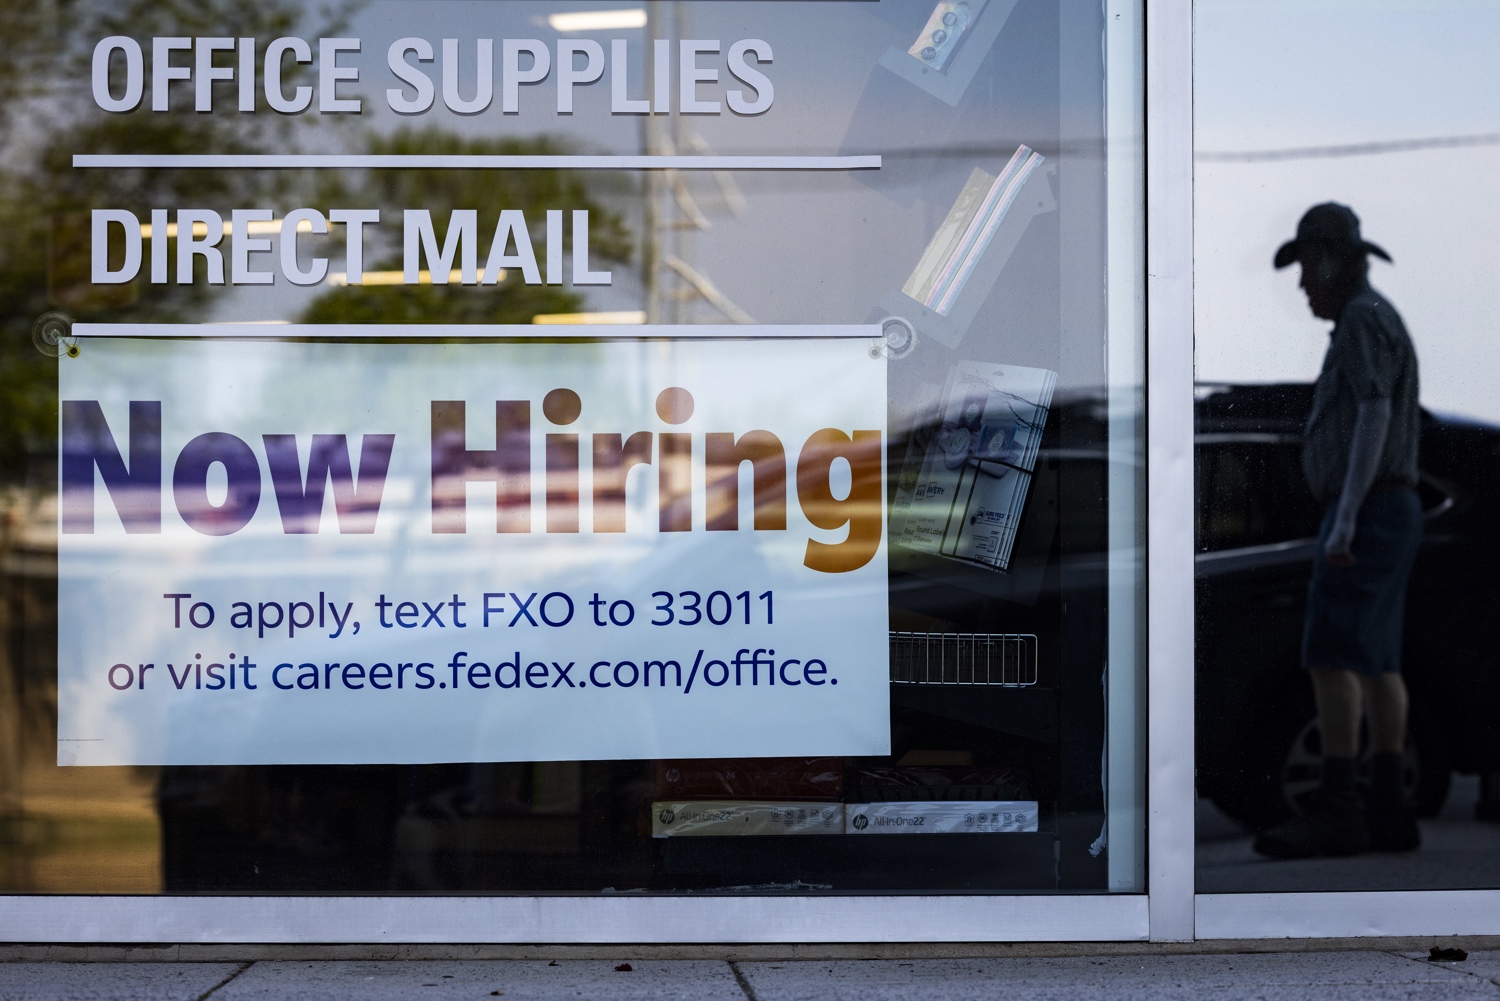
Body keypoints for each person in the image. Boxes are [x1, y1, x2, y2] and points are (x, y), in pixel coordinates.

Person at [1253, 203, 1423, 859]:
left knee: (1333, 657)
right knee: (1379, 663)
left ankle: (1341, 809)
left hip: (1371, 510)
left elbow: (1374, 410)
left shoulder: (1360, 319)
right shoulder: (1374, 320)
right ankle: (1387, 809)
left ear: (1328, 260)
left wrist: (1345, 515)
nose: (1301, 285)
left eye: (1304, 267)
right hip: (1388, 508)